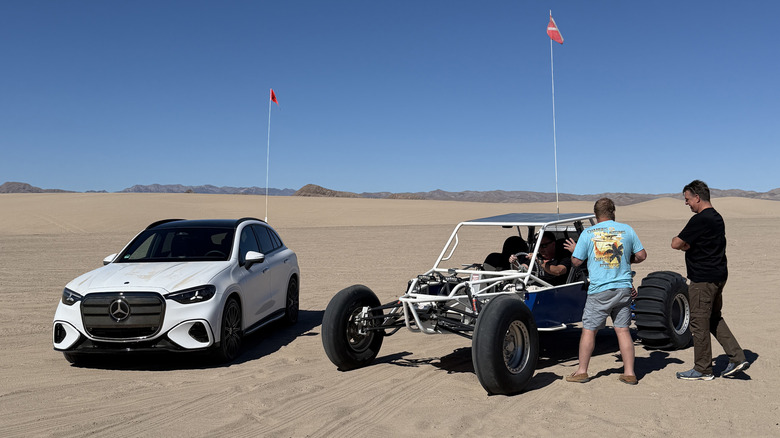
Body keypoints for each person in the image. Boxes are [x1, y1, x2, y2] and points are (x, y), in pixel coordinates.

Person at [563, 198, 647, 385]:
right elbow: (641, 255)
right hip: (623, 288)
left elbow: (576, 262)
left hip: (600, 290)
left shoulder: (588, 233)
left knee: (589, 330)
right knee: (623, 330)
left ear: (595, 214)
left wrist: (577, 250)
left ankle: (582, 371)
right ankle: (629, 372)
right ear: (613, 212)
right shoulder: (627, 230)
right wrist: (624, 260)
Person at [672, 180, 748, 380]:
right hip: (718, 276)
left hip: (703, 280)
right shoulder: (717, 217)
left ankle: (703, 368)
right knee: (714, 318)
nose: (686, 203)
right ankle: (737, 356)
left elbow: (675, 243)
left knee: (698, 322)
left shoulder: (700, 219)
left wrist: (685, 246)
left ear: (697, 197)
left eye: (688, 199)